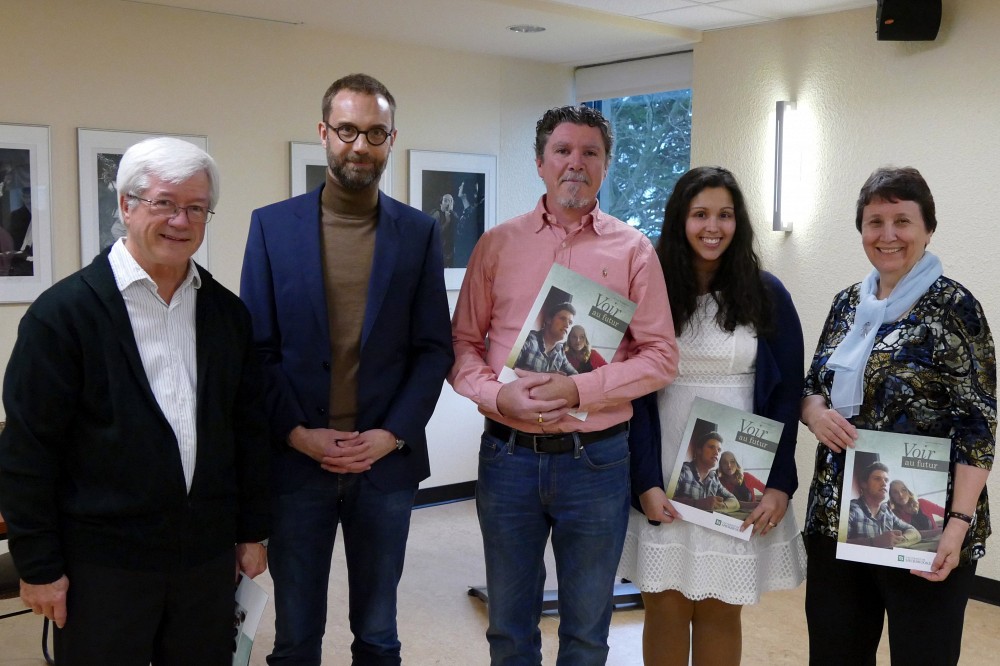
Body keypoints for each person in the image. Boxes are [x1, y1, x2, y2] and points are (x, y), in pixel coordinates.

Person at [0, 137, 270, 665]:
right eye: (164, 203)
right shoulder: (62, 318)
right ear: (125, 206)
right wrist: (38, 565)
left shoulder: (226, 316)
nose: (180, 220)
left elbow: (248, 432)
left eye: (196, 207)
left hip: (205, 560)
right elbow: (28, 451)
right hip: (103, 565)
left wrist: (253, 532)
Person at [450, 104, 677, 665]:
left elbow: (661, 357)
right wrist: (495, 394)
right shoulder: (497, 245)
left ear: (606, 164)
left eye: (590, 152)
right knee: (508, 626)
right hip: (508, 458)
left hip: (596, 463)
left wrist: (582, 390)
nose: (576, 163)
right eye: (563, 151)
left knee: (586, 630)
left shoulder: (633, 250)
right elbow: (462, 349)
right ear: (540, 162)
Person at [240, 73, 453, 665]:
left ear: (391, 140)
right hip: (296, 463)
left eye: (375, 133)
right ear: (324, 134)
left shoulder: (418, 233)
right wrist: (296, 434)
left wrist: (392, 435)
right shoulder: (271, 226)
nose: (360, 145)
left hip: (383, 464)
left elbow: (434, 348)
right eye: (348, 130)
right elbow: (256, 351)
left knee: (379, 634)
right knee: (296, 635)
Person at [801, 166, 995, 665]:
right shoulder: (847, 304)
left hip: (923, 524)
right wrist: (815, 413)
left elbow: (979, 423)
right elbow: (812, 387)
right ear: (861, 230)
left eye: (902, 221)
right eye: (875, 222)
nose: (888, 235)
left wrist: (957, 525)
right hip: (837, 518)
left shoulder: (955, 307)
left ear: (927, 228)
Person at [620, 166, 807, 666]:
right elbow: (632, 394)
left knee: (722, 610)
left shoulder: (767, 294)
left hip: (739, 472)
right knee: (664, 606)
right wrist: (644, 482)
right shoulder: (649, 289)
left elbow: (788, 395)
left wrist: (779, 483)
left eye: (725, 215)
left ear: (739, 222)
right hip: (662, 465)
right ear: (679, 220)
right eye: (700, 213)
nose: (712, 226)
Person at [845, 462, 920, 548]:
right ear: (864, 484)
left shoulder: (887, 511)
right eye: (877, 479)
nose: (884, 483)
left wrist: (901, 540)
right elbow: (838, 544)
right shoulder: (851, 509)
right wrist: (874, 542)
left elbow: (913, 531)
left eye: (886, 480)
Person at [672, 431, 740, 512]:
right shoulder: (682, 470)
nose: (716, 452)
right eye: (711, 447)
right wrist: (697, 504)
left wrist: (722, 506)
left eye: (719, 450)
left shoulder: (714, 478)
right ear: (699, 450)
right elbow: (665, 498)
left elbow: (734, 500)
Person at [513, 301, 579, 375]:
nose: (567, 325)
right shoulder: (527, 339)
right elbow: (508, 369)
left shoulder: (560, 351)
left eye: (570, 323)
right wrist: (545, 376)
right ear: (549, 319)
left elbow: (576, 375)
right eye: (562, 318)